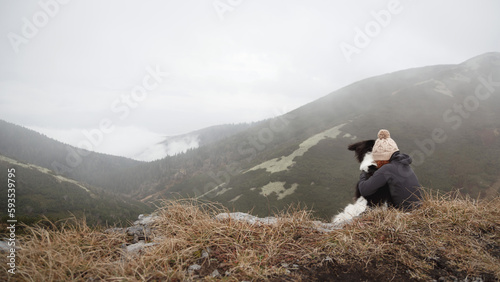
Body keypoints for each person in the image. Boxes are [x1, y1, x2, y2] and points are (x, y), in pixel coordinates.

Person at [358, 129, 422, 211]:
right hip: (419, 210)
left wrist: (364, 171)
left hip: (405, 215)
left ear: (383, 158)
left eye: (378, 161)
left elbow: (364, 190)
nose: (377, 164)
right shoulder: (404, 164)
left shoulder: (388, 169)